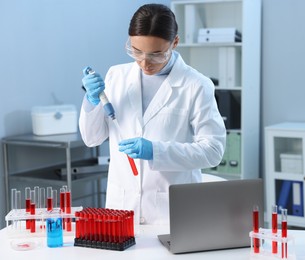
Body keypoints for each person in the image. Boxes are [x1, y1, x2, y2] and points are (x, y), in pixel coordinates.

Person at [79, 4, 226, 225]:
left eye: (156, 54)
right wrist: (91, 102)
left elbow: (213, 151)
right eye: (136, 51)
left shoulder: (196, 85)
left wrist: (156, 150)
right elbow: (92, 139)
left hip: (171, 211)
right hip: (122, 207)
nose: (145, 63)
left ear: (174, 43)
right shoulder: (116, 76)